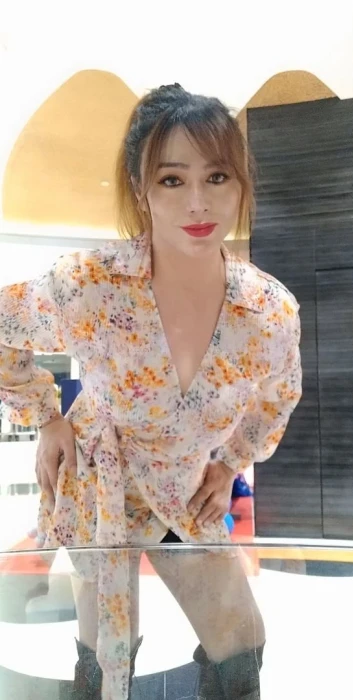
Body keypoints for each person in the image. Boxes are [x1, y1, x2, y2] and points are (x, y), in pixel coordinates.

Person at [0, 83, 302, 699]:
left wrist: (231, 462)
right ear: (142, 189)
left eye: (217, 176)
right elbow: (5, 327)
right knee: (107, 655)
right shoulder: (91, 285)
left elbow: (280, 396)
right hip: (100, 481)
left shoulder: (268, 311)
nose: (198, 201)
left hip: (185, 486)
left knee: (241, 644)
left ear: (241, 183)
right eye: (172, 179)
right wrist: (47, 417)